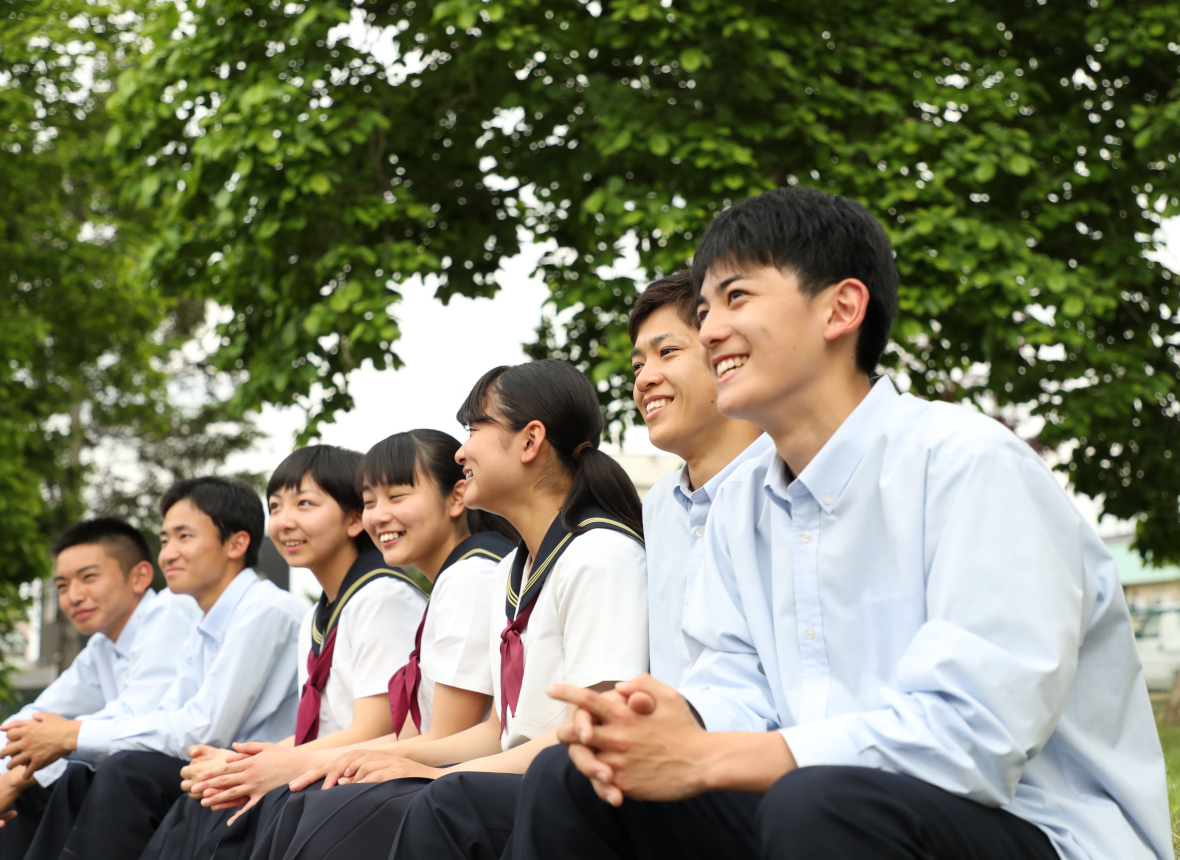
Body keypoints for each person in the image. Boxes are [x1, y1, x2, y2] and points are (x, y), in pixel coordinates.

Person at [516, 186, 1171, 860]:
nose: (710, 330)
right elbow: (735, 684)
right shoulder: (741, 506)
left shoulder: (967, 463)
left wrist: (706, 759)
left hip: (1039, 829)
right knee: (573, 781)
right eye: (706, 309)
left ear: (842, 308)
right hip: (821, 814)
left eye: (737, 298)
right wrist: (670, 719)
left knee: (821, 802)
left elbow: (972, 737)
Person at [258, 360, 649, 860]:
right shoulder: (513, 567)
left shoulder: (600, 553)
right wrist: (374, 758)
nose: (461, 450)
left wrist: (435, 773)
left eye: (474, 428)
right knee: (323, 797)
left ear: (530, 441)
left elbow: (589, 734)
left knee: (411, 803)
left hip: (569, 789)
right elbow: (495, 731)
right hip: (510, 775)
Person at [140, 444, 431, 859]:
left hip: (371, 777)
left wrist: (265, 763)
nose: (284, 521)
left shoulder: (382, 596)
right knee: (208, 798)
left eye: (305, 504)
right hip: (331, 769)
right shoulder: (321, 611)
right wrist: (240, 761)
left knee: (232, 806)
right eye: (275, 507)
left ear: (354, 518)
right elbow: (321, 729)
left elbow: (375, 729)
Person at [19, 476, 306, 860]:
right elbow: (165, 714)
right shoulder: (205, 622)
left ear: (236, 543)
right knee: (75, 775)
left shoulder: (263, 610)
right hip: (208, 768)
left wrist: (74, 735)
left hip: (258, 777)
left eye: (184, 537)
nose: (167, 554)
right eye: (165, 539)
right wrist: (63, 741)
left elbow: (204, 728)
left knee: (126, 771)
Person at [0, 518, 200, 857]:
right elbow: (35, 717)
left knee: (104, 771)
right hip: (145, 773)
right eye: (62, 586)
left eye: (88, 578)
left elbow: (135, 717)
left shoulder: (170, 613)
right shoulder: (102, 647)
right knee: (33, 788)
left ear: (139, 576)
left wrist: (17, 775)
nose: (74, 596)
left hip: (198, 767)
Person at [626, 269, 771, 688]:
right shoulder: (658, 504)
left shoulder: (788, 482)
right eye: (637, 365)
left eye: (667, 351)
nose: (644, 379)